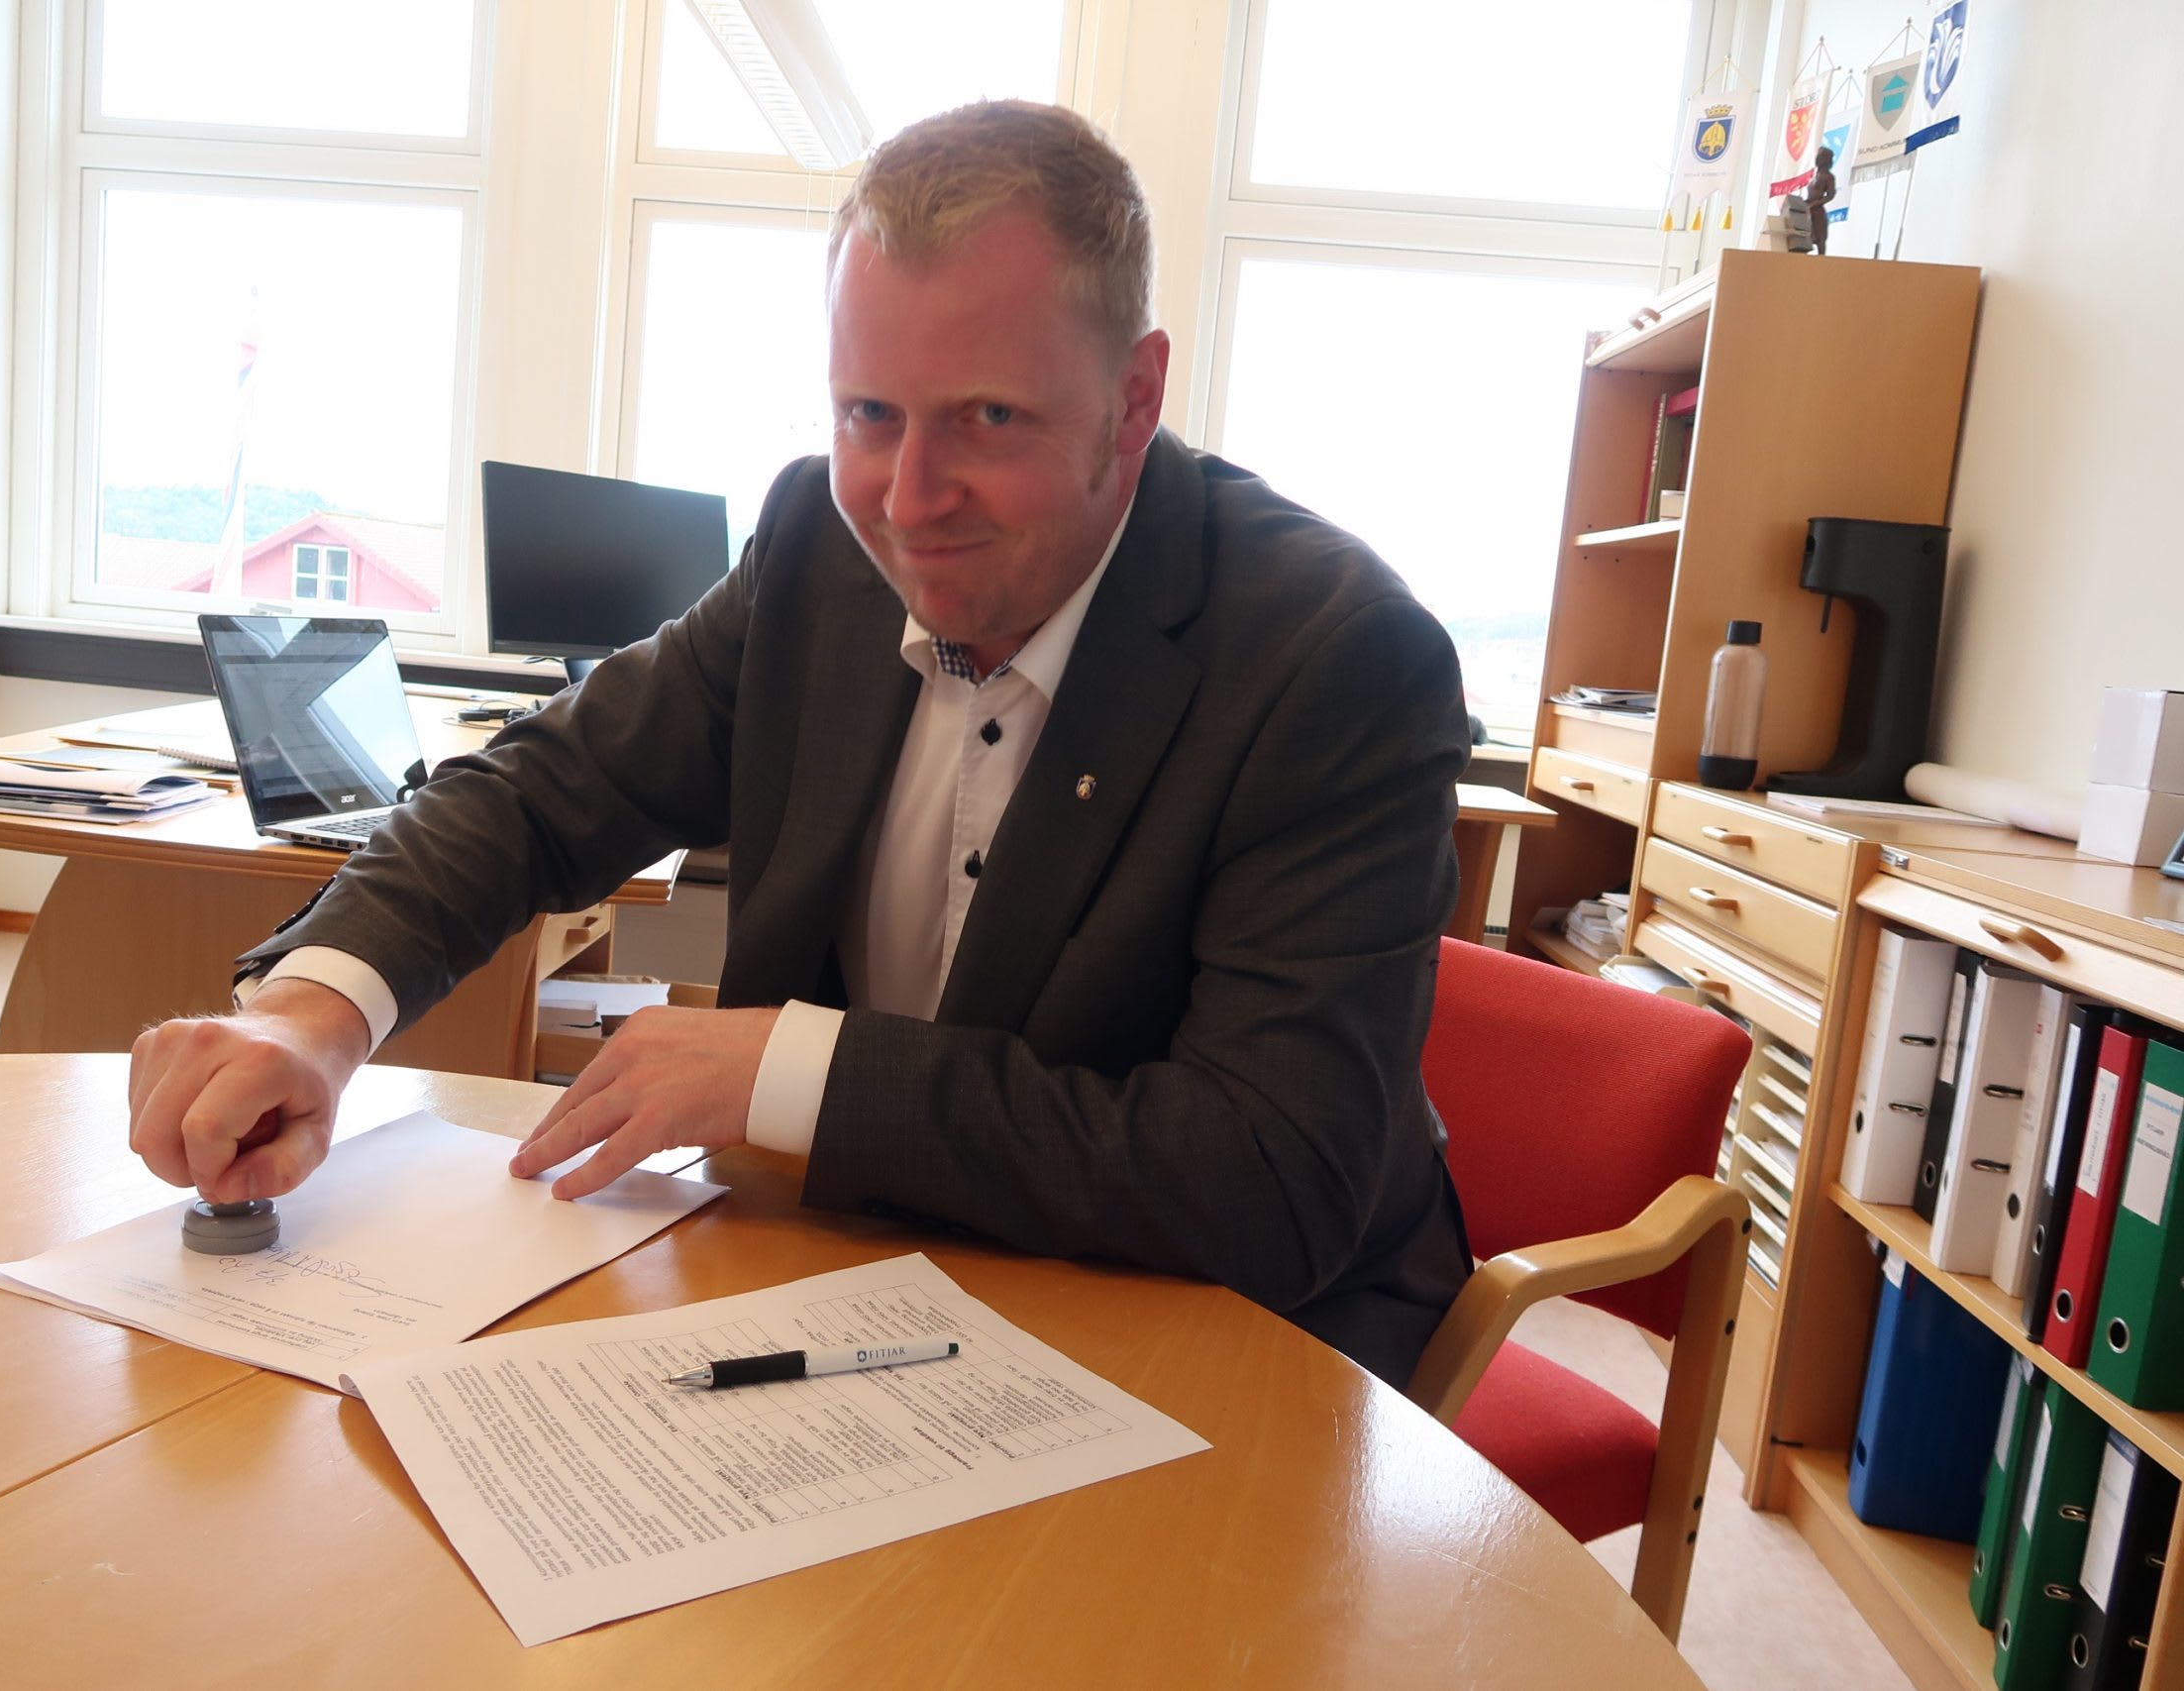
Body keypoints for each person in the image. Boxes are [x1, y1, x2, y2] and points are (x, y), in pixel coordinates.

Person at [127, 100, 1474, 1388]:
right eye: (867, 415)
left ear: (1133, 399)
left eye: (988, 418)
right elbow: (544, 790)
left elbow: (1272, 1178)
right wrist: (311, 1015)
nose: (908, 501)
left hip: (1238, 1323)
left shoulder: (1334, 658)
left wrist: (793, 1070)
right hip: (869, 1276)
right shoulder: (821, 550)